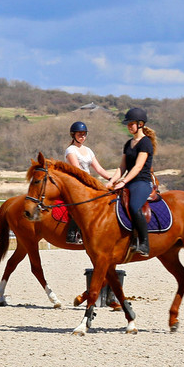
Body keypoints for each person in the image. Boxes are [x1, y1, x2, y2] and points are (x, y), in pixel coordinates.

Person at [106, 108, 156, 257]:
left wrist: (124, 181)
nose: (129, 126)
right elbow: (122, 166)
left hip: (142, 182)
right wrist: (112, 181)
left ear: (140, 124)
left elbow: (138, 166)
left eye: (131, 124)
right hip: (129, 182)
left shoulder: (145, 143)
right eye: (127, 124)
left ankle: (144, 243)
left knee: (134, 206)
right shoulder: (128, 143)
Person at [63, 120, 113, 243]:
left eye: (84, 134)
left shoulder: (89, 150)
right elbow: (78, 170)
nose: (82, 136)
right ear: (73, 135)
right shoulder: (71, 150)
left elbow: (99, 168)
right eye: (79, 134)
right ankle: (71, 233)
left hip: (88, 182)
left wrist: (112, 179)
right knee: (81, 203)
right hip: (76, 182)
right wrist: (92, 182)